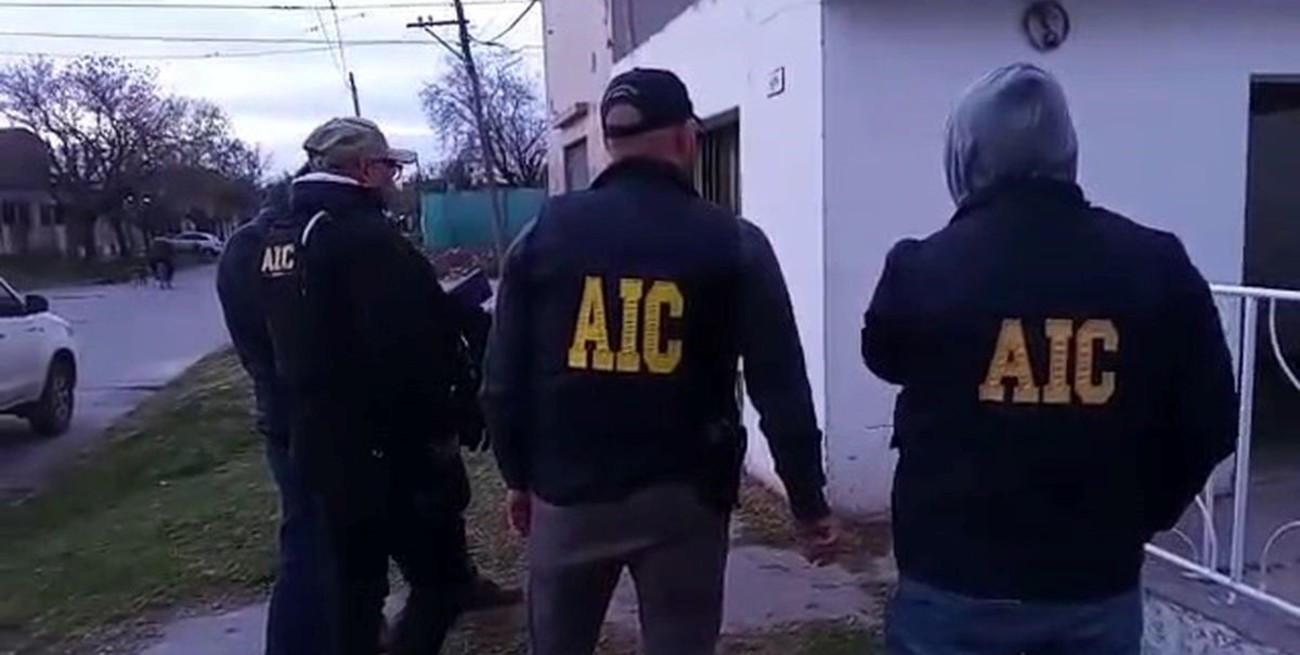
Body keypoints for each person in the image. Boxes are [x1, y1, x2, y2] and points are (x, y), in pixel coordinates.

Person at [861, 63, 1238, 655]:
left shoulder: (922, 267)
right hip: (1095, 584)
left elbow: (882, 356)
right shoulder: (1156, 263)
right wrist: (1141, 515)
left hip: (952, 582)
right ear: (1068, 149)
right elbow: (1212, 420)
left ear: (966, 154)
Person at [482, 68, 841, 655]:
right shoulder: (734, 241)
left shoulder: (544, 233)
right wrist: (807, 503)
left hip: (568, 492)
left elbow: (501, 381)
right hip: (685, 498)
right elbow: (780, 385)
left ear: (608, 144)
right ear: (685, 138)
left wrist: (519, 478)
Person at [255, 117, 517, 655]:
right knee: (440, 584)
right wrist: (456, 414)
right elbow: (408, 348)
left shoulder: (282, 235)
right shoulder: (366, 239)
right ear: (363, 169)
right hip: (390, 448)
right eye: (389, 168)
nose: (395, 179)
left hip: (321, 441)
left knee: (355, 590)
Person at [217, 174, 334, 655]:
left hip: (275, 406)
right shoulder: (294, 247)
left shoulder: (239, 249)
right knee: (311, 538)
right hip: (309, 411)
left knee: (306, 527)